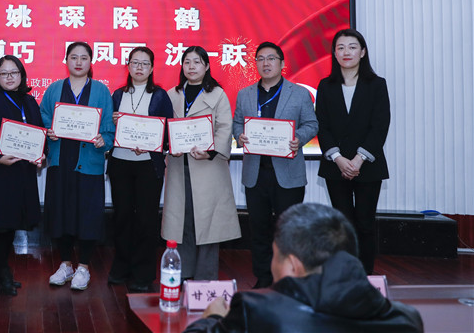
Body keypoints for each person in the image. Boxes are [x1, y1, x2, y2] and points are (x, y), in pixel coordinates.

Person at [183, 203, 423, 333]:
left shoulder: (255, 311)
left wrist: (212, 318)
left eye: (275, 256)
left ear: (292, 266)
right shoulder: (406, 319)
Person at [231, 41, 318, 288]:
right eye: (260, 59)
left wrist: (299, 138)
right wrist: (239, 136)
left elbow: (312, 124)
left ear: (282, 63)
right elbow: (237, 123)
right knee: (259, 230)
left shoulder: (299, 93)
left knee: (288, 230)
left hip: (287, 174)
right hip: (255, 173)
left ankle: (289, 278)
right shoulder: (245, 94)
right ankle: (264, 277)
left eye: (271, 58)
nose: (265, 63)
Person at [41, 41, 115, 291]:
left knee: (88, 215)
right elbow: (43, 117)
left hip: (89, 163)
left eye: (84, 57)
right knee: (60, 212)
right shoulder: (54, 89)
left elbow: (109, 127)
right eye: (74, 57)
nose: (79, 62)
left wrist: (104, 139)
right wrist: (48, 131)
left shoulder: (101, 91)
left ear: (91, 62)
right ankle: (65, 264)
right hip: (60, 162)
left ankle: (83, 266)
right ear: (66, 60)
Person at [163, 46, 241, 281]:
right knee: (182, 223)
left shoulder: (218, 94)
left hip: (208, 168)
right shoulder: (172, 94)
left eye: (197, 62)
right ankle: (183, 275)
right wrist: (168, 144)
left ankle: (205, 279)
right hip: (179, 167)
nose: (191, 67)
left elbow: (225, 127)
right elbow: (163, 127)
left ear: (206, 66)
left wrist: (210, 152)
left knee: (208, 225)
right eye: (187, 62)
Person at [317, 29, 391, 275]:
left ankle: (365, 276)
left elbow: (380, 126)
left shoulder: (377, 85)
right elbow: (322, 126)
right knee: (342, 225)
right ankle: (344, 276)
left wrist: (359, 159)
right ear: (334, 53)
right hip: (335, 166)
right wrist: (338, 159)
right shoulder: (325, 86)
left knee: (365, 224)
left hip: (368, 165)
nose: (346, 52)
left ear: (362, 52)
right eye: (340, 47)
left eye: (352, 47)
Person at [0, 55, 44, 296]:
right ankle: (2, 269)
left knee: (13, 222)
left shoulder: (30, 101)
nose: (9, 77)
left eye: (13, 72)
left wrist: (41, 154)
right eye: (4, 73)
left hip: (23, 172)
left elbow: (39, 131)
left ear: (21, 75)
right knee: (0, 225)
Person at [107, 46, 173, 292]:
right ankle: (121, 267)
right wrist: (113, 122)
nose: (139, 67)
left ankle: (143, 274)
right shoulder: (117, 95)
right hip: (120, 163)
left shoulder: (160, 96)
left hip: (148, 165)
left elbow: (168, 131)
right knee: (122, 216)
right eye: (135, 62)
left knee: (146, 219)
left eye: (145, 64)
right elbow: (107, 130)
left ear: (152, 68)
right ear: (128, 66)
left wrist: (149, 144)